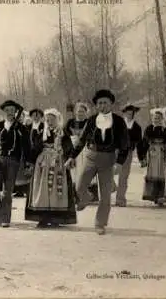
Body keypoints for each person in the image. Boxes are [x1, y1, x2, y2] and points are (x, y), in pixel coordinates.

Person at [65, 89, 129, 235]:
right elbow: (81, 141)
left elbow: (125, 144)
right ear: (96, 105)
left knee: (105, 195)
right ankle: (86, 197)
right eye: (99, 103)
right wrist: (71, 157)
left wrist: (119, 163)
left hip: (108, 160)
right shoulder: (92, 120)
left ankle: (100, 224)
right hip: (91, 157)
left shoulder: (118, 121)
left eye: (105, 103)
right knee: (80, 186)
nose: (102, 106)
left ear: (111, 104)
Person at [25, 108, 77, 227]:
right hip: (42, 165)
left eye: (52, 119)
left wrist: (69, 157)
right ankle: (42, 218)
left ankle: (56, 218)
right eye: (47, 120)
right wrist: (30, 161)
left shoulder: (62, 132)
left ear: (57, 120)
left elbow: (69, 147)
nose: (49, 122)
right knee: (42, 190)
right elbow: (36, 148)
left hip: (58, 164)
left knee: (56, 190)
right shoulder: (42, 132)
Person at [0, 100, 30, 227]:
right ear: (4, 111)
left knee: (7, 191)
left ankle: (4, 218)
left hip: (13, 161)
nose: (10, 112)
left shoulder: (21, 129)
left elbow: (27, 147)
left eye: (12, 110)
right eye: (7, 110)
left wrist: (27, 164)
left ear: (16, 112)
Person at [141, 108, 166, 205]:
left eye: (158, 118)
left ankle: (164, 197)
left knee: (164, 174)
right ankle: (155, 197)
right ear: (152, 119)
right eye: (155, 118)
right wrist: (142, 157)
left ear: (162, 119)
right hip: (153, 155)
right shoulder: (149, 129)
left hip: (164, 155)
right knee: (154, 175)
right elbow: (144, 144)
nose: (156, 120)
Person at [115, 104, 144, 207]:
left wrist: (141, 158)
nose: (129, 114)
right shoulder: (117, 124)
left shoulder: (137, 127)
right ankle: (110, 192)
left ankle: (120, 199)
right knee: (108, 174)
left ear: (133, 114)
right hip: (115, 152)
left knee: (123, 177)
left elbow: (140, 144)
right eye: (127, 113)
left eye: (131, 113)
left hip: (127, 153)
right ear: (124, 113)